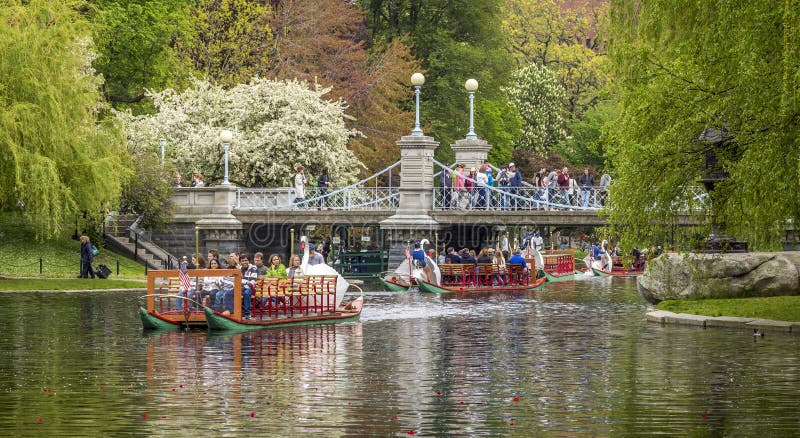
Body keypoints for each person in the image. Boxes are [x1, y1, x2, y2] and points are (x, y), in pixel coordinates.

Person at [239, 254, 258, 319]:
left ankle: (247, 314)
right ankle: (232, 312)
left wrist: (244, 286)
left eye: (246, 260)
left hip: (250, 288)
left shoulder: (253, 268)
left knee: (246, 293)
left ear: (249, 261)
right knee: (229, 293)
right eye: (242, 261)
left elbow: (253, 281)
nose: (244, 262)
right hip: (240, 288)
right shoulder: (239, 269)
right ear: (240, 262)